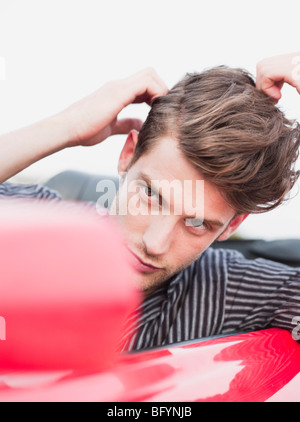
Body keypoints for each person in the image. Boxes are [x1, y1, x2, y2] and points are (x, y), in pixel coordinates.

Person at [1, 53, 300, 352]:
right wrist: (65, 127)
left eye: (196, 223)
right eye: (151, 195)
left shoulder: (231, 291)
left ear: (232, 224)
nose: (155, 244)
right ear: (127, 155)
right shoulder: (32, 227)